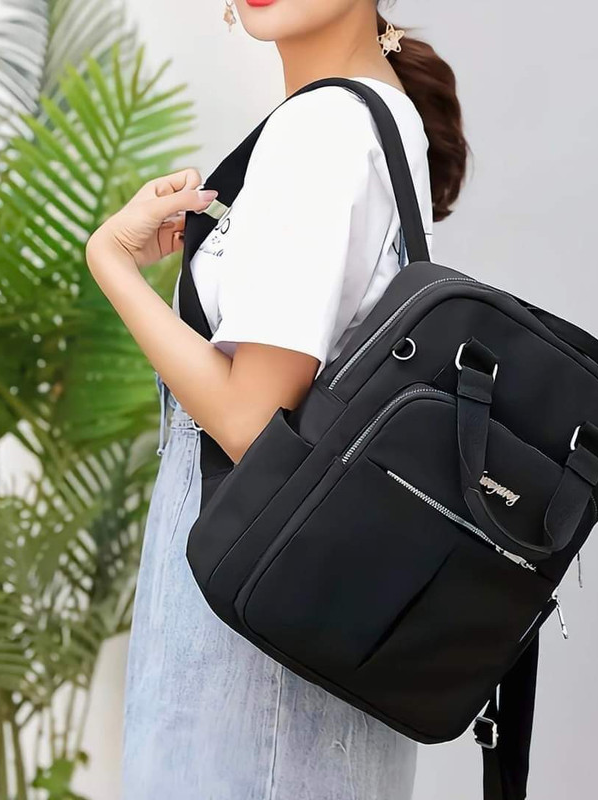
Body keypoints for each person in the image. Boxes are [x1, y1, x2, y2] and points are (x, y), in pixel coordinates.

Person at [85, 1, 468, 797]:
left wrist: (111, 263)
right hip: (306, 641)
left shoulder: (322, 128)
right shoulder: (384, 111)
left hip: (248, 662)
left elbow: (250, 424)